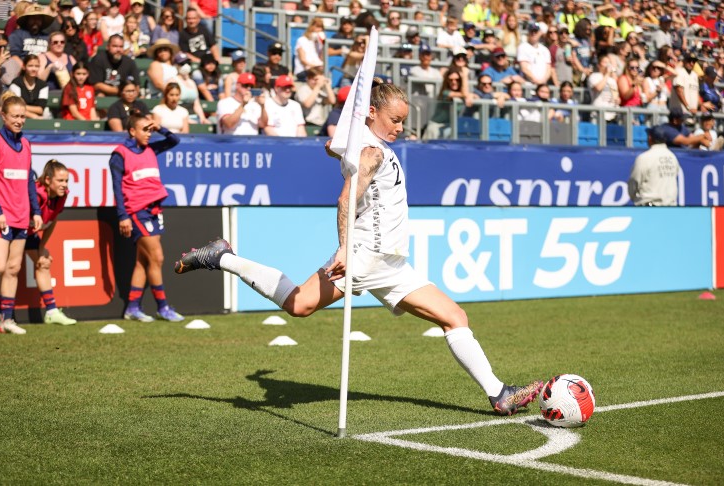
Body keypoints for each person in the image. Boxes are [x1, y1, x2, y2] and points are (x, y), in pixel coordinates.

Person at [174, 82, 544, 416]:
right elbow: (347, 197)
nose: (400, 127)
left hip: (392, 262)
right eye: (395, 119)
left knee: (455, 317)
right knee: (299, 305)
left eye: (402, 120)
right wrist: (346, 248)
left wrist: (340, 149)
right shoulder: (372, 154)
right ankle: (224, 256)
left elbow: (332, 147)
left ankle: (499, 395)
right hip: (366, 255)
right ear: (372, 112)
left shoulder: (368, 146)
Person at [109, 112, 183, 322]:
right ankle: (162, 307)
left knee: (143, 261)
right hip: (136, 212)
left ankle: (132, 307)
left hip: (154, 210)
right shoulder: (120, 154)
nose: (149, 134)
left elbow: (174, 140)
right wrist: (123, 216)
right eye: (145, 130)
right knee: (157, 258)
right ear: (132, 131)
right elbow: (116, 188)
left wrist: (159, 127)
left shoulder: (150, 148)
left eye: (151, 130)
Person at [0, 95, 43, 335]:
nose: (19, 120)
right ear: (2, 116)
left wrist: (35, 211)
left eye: (22, 116)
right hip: (1, 216)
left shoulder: (26, 144)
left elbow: (29, 183)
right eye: (14, 115)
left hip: (21, 215)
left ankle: (6, 320)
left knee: (13, 268)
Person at [25, 160, 77, 326]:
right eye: (60, 181)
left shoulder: (62, 195)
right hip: (14, 231)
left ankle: (51, 311)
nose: (64, 185)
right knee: (2, 267)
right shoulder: (36, 194)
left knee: (44, 262)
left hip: (29, 234)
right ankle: (0, 314)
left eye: (66, 181)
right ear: (47, 180)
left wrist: (41, 247)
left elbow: (52, 220)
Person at [628, 126, 679, 206]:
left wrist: (633, 197)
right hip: (670, 208)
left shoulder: (644, 158)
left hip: (650, 209)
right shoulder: (672, 157)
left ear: (650, 138)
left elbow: (634, 181)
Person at [8, 54, 49, 120]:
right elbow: (15, 107)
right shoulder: (16, 83)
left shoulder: (43, 85)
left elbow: (40, 109)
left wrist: (22, 107)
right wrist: (32, 116)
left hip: (38, 118)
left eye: (36, 66)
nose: (34, 69)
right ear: (24, 67)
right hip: (18, 118)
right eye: (30, 66)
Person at [294, 18, 326, 82]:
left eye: (321, 27)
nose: (319, 30)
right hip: (303, 70)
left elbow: (321, 58)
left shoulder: (319, 43)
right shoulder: (301, 40)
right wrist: (314, 67)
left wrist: (323, 43)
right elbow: (303, 60)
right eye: (317, 27)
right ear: (311, 27)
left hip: (316, 70)